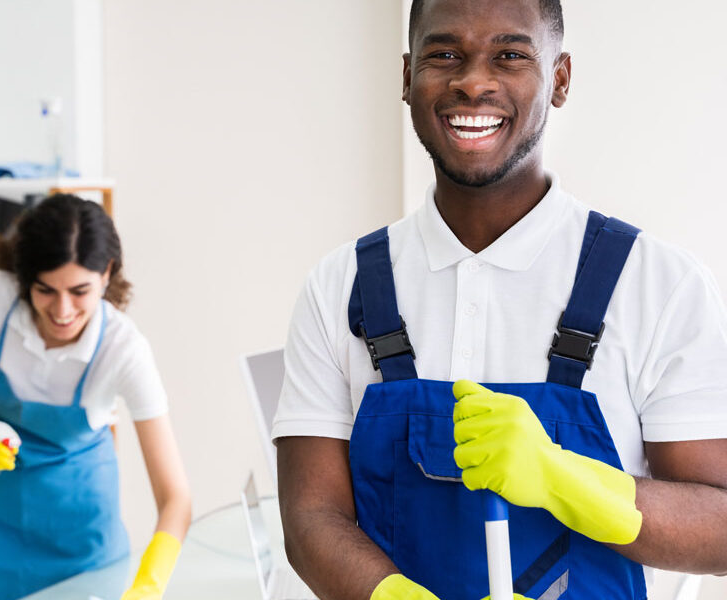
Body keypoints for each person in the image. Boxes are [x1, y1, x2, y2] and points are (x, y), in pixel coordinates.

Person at [272, 1, 727, 599]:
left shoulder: (658, 285)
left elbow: (720, 527)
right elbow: (311, 519)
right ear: (407, 78)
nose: (472, 81)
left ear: (559, 78)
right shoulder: (341, 287)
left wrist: (564, 479)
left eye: (509, 55)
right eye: (444, 55)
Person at [0, 194, 191, 600]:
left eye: (80, 290)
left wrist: (149, 586)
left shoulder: (123, 350)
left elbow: (176, 498)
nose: (62, 310)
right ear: (25, 277)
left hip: (79, 541)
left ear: (106, 273)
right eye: (45, 289)